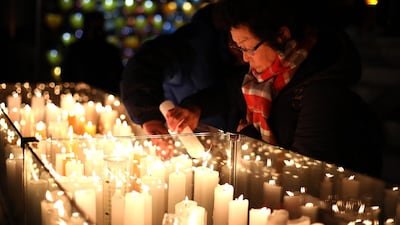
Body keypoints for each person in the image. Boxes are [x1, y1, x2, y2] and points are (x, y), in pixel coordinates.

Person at [215, 0, 384, 178]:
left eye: (248, 48)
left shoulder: (320, 90)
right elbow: (229, 93)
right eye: (239, 48)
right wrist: (194, 108)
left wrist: (249, 140)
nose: (245, 58)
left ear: (281, 34)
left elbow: (305, 171)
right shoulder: (265, 76)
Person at [120, 3, 248, 136]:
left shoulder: (260, 59)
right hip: (192, 137)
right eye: (241, 47)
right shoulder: (192, 44)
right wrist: (149, 117)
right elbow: (144, 66)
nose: (246, 58)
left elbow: (233, 93)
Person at [62, 11, 123, 95]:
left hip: (105, 96)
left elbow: (118, 76)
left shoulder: (110, 51)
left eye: (99, 27)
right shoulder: (75, 50)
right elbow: (67, 75)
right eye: (94, 28)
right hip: (80, 95)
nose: (97, 32)